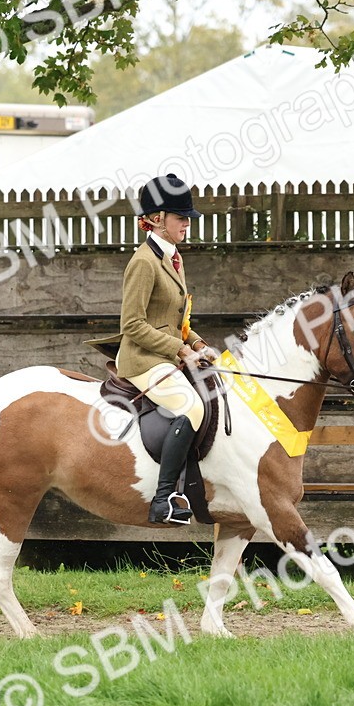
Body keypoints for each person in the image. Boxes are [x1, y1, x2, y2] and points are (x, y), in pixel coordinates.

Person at [91, 174, 218, 524]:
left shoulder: (174, 257)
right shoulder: (143, 262)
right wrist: (180, 350)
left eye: (188, 219)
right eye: (181, 218)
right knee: (192, 407)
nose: (187, 225)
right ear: (158, 218)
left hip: (166, 355)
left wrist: (198, 344)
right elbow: (132, 324)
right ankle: (164, 499)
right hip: (143, 360)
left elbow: (176, 320)